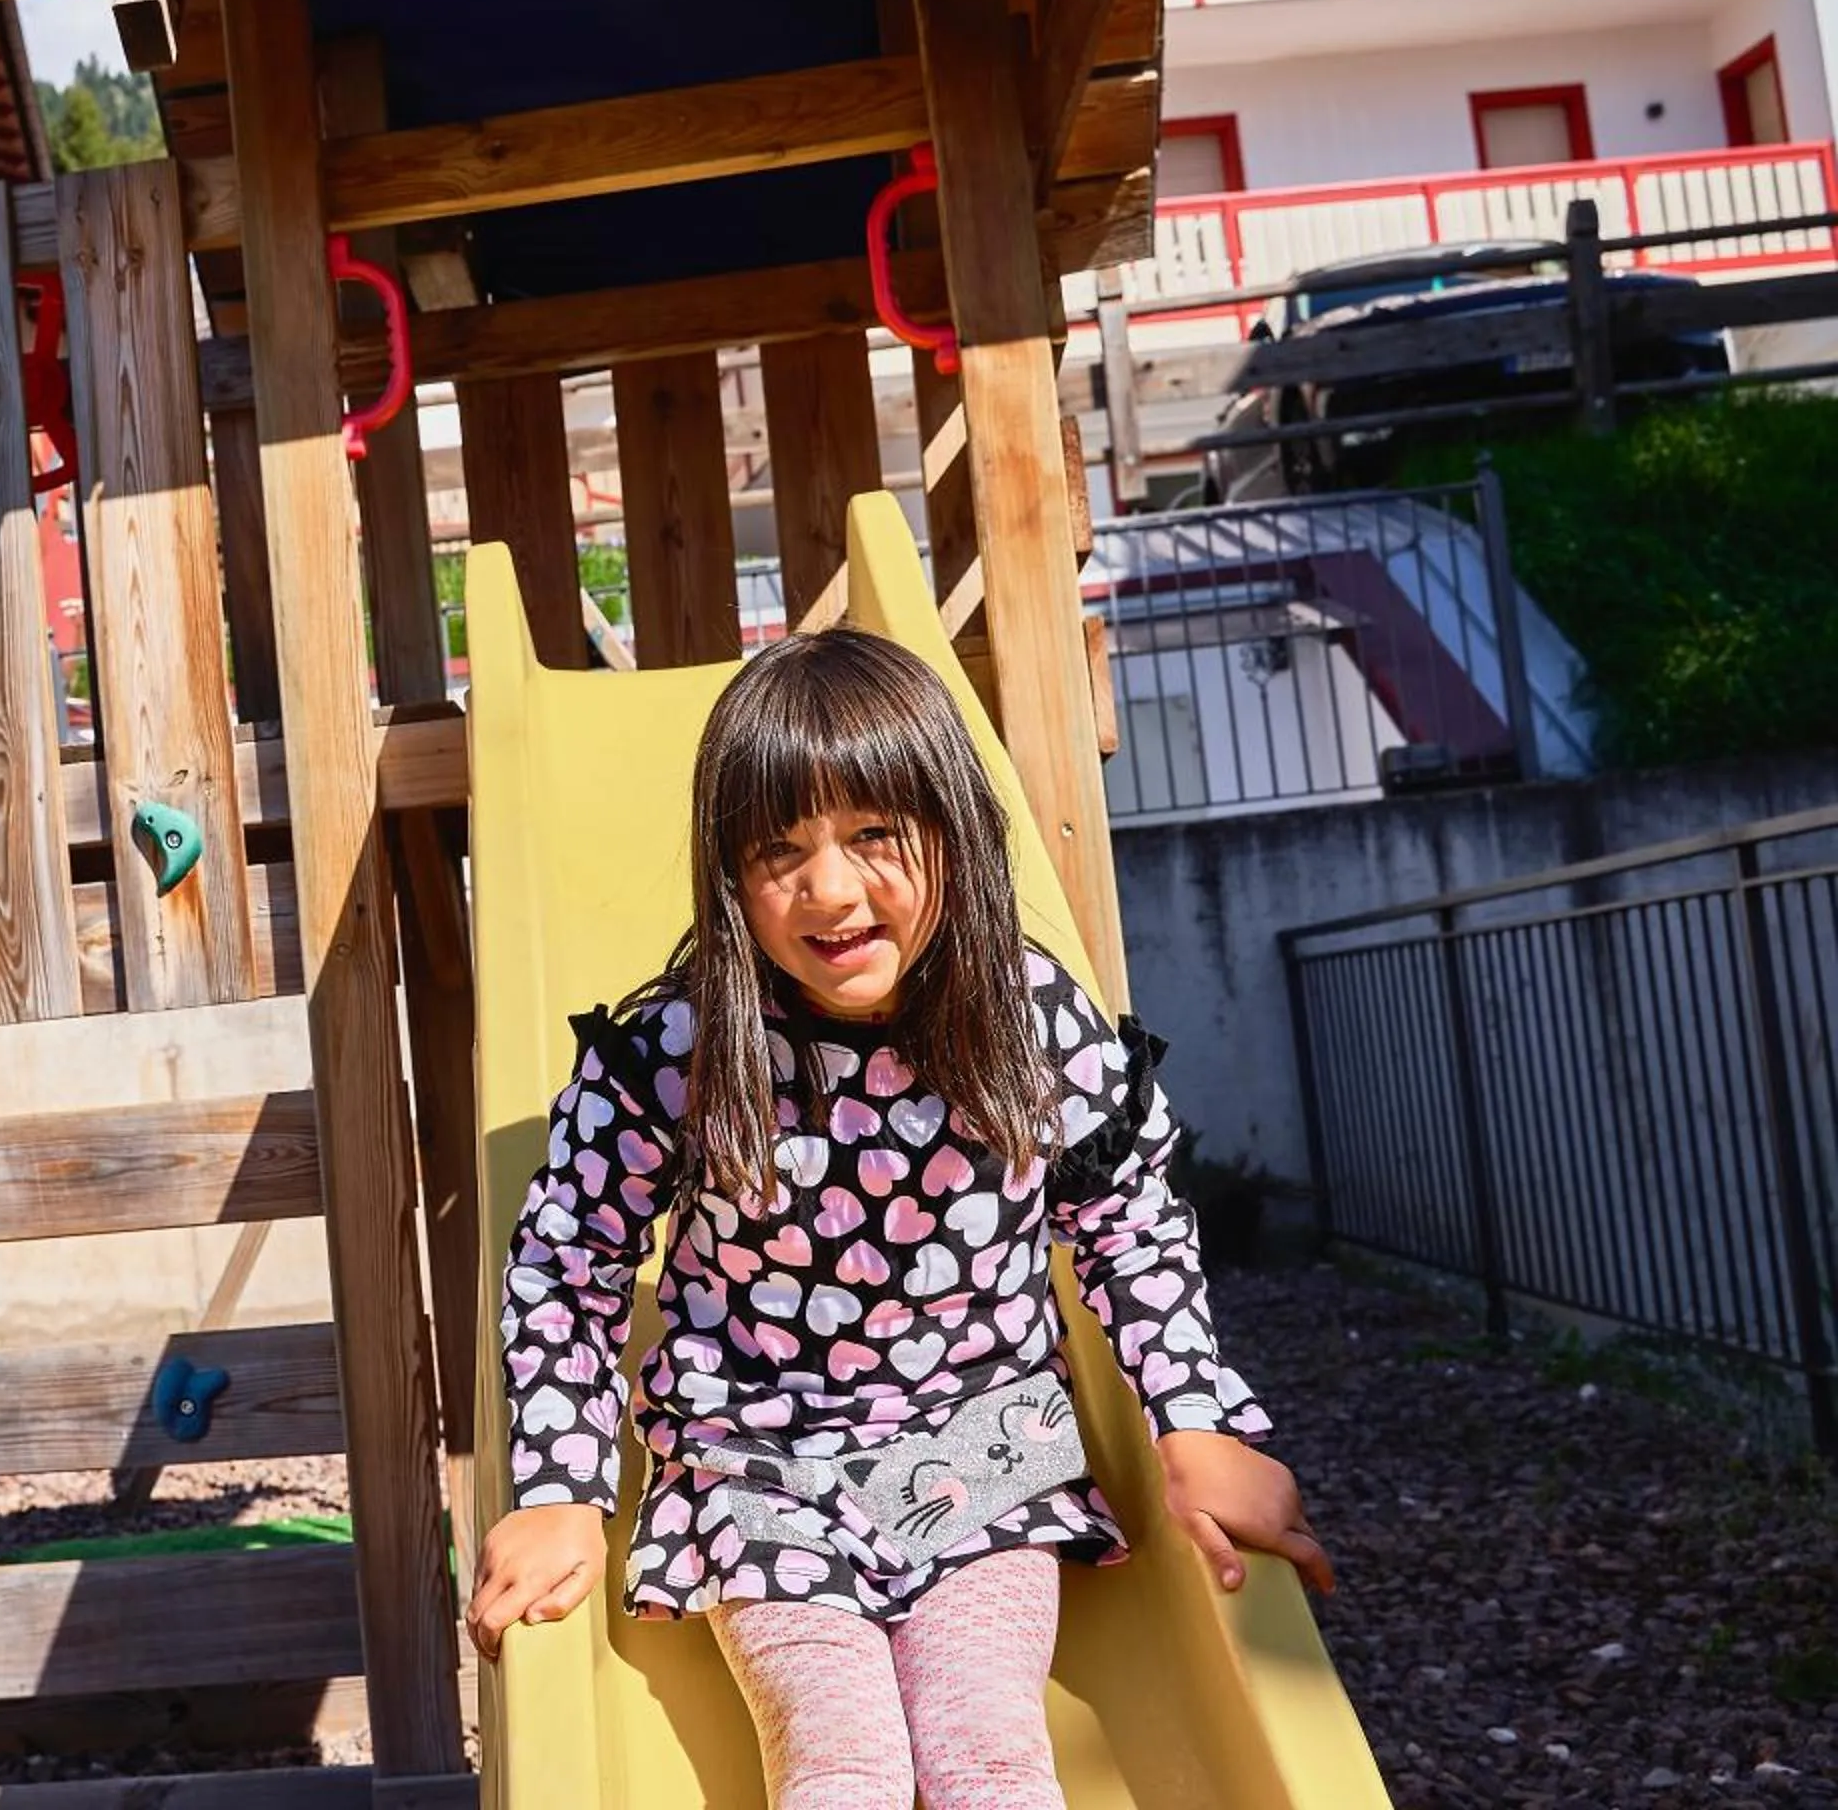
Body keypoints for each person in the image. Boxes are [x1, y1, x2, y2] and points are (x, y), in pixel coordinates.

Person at [468, 628, 1332, 1810]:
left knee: (987, 1755)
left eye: (875, 834)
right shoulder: (679, 1051)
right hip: (754, 1461)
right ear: (727, 874)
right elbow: (568, 1259)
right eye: (781, 850)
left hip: (983, 1446)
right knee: (844, 1762)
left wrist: (1194, 1421)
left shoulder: (1028, 1021)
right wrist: (559, 1488)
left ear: (954, 832)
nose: (831, 888)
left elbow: (1129, 1214)